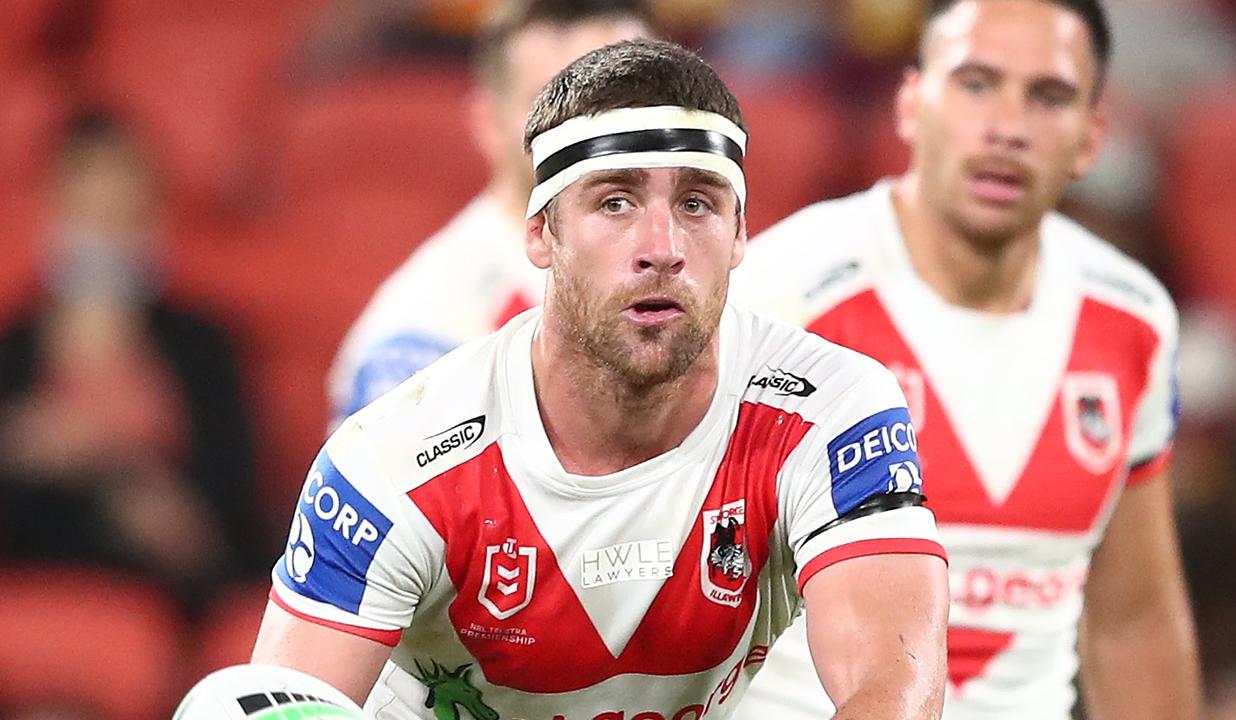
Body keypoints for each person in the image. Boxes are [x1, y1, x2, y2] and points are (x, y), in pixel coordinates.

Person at [252, 38, 949, 720]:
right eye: (615, 202)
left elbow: (895, 685)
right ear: (540, 234)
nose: (662, 250)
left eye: (697, 204)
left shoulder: (829, 414)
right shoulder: (394, 460)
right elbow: (283, 708)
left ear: (740, 235)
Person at [730, 1, 1202, 719]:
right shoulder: (779, 293)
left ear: (1089, 139)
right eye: (976, 83)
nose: (1007, 127)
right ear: (913, 105)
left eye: (1049, 97)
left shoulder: (1132, 321)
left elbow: (1132, 619)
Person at [327, 0, 653, 426]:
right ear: (489, 123)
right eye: (557, 100)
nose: (600, 126)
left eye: (632, 96)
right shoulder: (435, 332)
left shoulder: (729, 271)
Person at [0, 112, 262, 611]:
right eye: (90, 215)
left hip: (170, 588)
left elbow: (229, 505)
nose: (105, 240)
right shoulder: (14, 347)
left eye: (122, 216)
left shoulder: (205, 346)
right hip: (41, 574)